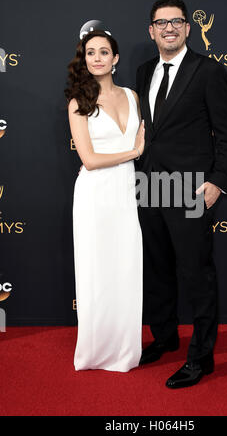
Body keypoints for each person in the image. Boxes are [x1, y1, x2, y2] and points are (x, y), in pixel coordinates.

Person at [135, 0, 227, 388]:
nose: (169, 28)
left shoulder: (208, 71)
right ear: (151, 30)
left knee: (196, 273)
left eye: (176, 22)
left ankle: (201, 357)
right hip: (149, 185)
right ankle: (164, 338)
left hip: (192, 188)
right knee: (158, 270)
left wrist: (218, 181)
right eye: (161, 23)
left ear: (187, 29)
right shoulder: (144, 70)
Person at [65, 30, 145, 372]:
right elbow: (90, 159)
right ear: (85, 61)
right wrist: (135, 151)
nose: (97, 57)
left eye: (104, 52)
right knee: (96, 272)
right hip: (94, 195)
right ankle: (95, 351)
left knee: (126, 270)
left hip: (126, 194)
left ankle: (126, 350)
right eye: (90, 53)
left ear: (116, 58)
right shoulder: (78, 102)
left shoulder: (133, 96)